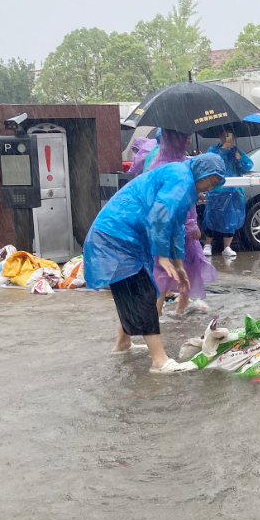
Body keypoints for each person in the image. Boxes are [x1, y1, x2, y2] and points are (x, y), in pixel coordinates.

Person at [83, 153, 227, 373]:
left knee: (131, 293)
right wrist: (161, 256)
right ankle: (159, 361)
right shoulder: (181, 177)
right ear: (203, 171)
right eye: (212, 181)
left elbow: (175, 226)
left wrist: (178, 265)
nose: (209, 188)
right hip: (116, 236)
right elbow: (160, 216)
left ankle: (122, 344)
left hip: (123, 237)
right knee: (142, 293)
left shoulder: (185, 183)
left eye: (215, 185)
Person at [143, 128, 217, 316]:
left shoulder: (182, 162)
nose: (188, 143)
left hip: (181, 223)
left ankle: (181, 306)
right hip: (167, 225)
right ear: (174, 139)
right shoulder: (164, 166)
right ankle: (155, 314)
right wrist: (188, 223)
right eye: (185, 138)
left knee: (188, 264)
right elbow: (165, 206)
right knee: (163, 269)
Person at [202, 129, 253, 257]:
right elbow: (210, 162)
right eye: (225, 135)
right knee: (212, 216)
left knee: (231, 217)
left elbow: (247, 166)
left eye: (230, 135)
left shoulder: (237, 151)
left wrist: (240, 159)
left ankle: (227, 247)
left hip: (234, 191)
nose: (228, 138)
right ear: (220, 135)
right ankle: (208, 244)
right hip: (217, 190)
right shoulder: (213, 150)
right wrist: (223, 150)